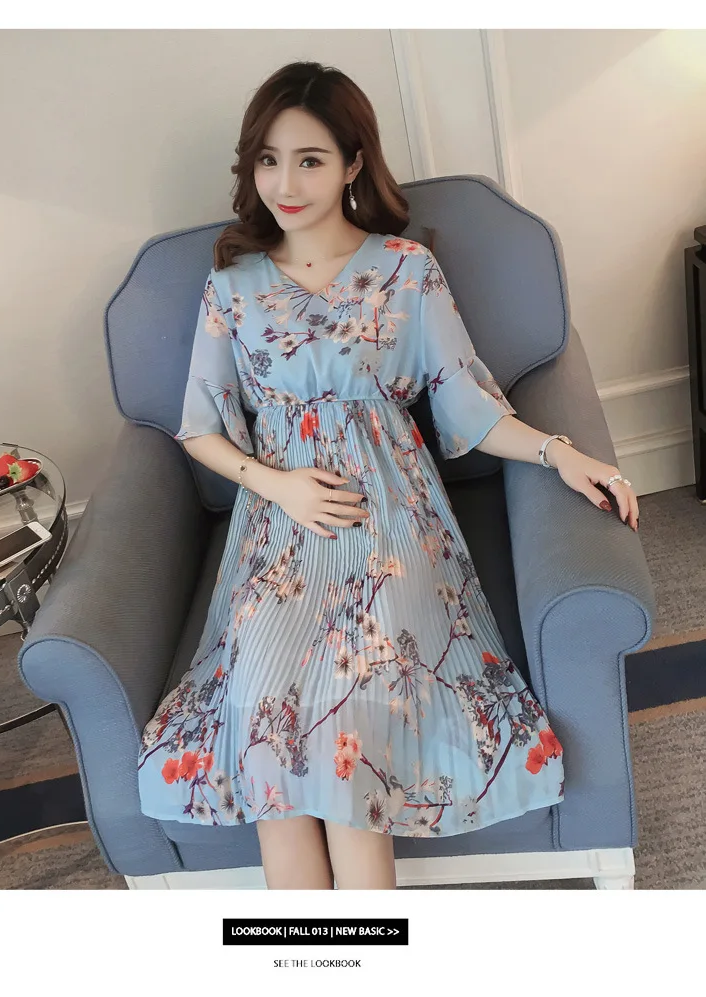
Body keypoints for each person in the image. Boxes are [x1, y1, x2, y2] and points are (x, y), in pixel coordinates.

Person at [136, 60, 640, 890]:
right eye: (268, 160)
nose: (285, 183)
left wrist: (562, 451)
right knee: (268, 731)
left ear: (353, 164)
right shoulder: (231, 289)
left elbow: (468, 405)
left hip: (390, 521)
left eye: (309, 159)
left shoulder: (407, 271)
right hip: (278, 530)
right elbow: (201, 428)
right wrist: (277, 484)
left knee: (353, 728)